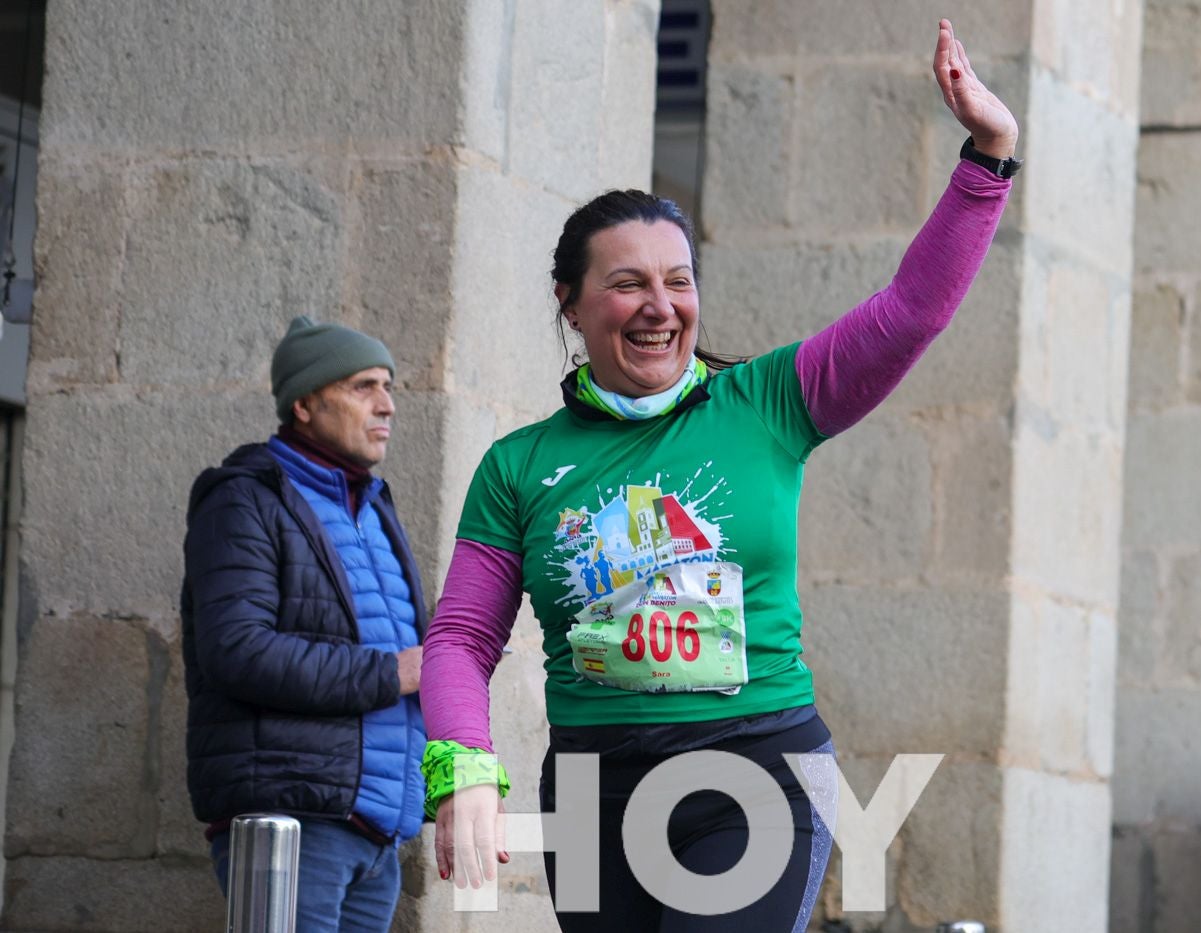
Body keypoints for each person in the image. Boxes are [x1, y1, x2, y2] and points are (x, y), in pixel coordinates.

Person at [420, 18, 1019, 929]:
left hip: (757, 773)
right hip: (591, 792)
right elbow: (461, 638)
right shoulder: (520, 465)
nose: (660, 307)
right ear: (571, 304)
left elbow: (909, 312)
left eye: (679, 280)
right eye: (627, 284)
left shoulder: (769, 402)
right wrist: (462, 771)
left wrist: (989, 155)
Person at [181, 317, 428, 933]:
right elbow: (237, 651)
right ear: (305, 404)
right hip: (294, 824)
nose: (387, 405)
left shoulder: (371, 507)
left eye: (389, 387)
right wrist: (392, 672)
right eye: (364, 387)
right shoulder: (246, 499)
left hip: (377, 834)